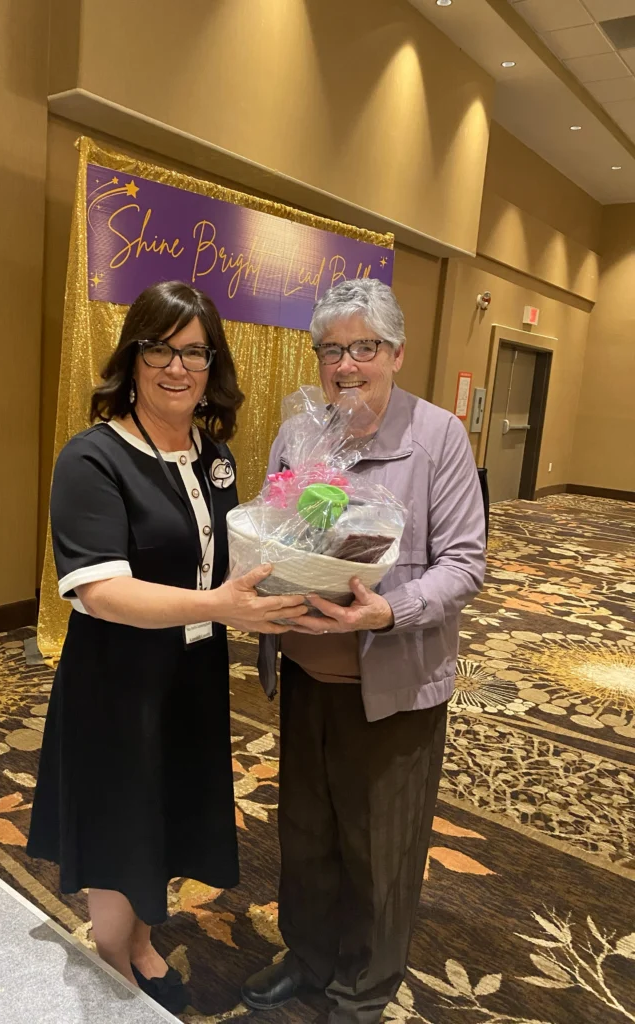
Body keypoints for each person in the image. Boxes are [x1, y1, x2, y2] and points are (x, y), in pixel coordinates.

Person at [27, 281, 307, 1012]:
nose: (176, 368)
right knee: (123, 831)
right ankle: (114, 965)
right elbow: (100, 592)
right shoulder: (92, 458)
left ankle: (145, 944)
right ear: (133, 355)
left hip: (190, 673)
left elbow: (225, 559)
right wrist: (219, 604)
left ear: (212, 364)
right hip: (117, 684)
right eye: (161, 349)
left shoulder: (212, 455)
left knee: (170, 814)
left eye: (194, 352)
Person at [242, 278, 486, 1023]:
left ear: (396, 352)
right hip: (310, 670)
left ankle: (364, 987)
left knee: (380, 845)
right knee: (307, 830)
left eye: (364, 348)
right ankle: (310, 957)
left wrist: (388, 612)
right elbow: (272, 525)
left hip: (394, 685)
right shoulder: (300, 434)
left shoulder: (437, 436)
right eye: (332, 351)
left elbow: (465, 562)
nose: (347, 365)